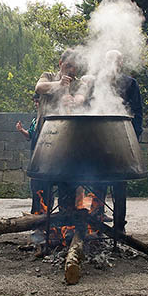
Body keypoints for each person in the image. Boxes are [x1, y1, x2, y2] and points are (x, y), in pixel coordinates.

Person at [90, 50, 143, 233]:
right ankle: (96, 222)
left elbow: (137, 111)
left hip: (120, 140)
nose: (113, 63)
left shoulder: (130, 83)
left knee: (120, 183)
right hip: (98, 139)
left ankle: (119, 225)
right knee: (97, 183)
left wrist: (135, 137)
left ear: (121, 63)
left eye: (117, 60)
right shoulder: (95, 81)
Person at [35, 49, 86, 213]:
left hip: (69, 141)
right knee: (41, 183)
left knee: (68, 182)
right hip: (45, 138)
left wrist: (74, 101)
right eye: (68, 65)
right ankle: (39, 223)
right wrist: (59, 85)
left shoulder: (78, 83)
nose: (71, 70)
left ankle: (66, 223)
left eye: (75, 67)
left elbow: (81, 96)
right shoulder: (48, 76)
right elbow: (39, 87)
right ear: (60, 63)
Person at [16, 93, 52, 214]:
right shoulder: (35, 120)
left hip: (48, 159)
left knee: (47, 188)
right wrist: (21, 130)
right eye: (35, 102)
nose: (36, 104)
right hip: (36, 158)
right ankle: (36, 213)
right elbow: (30, 136)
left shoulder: (50, 118)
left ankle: (47, 214)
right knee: (35, 186)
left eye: (38, 102)